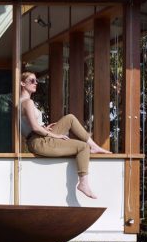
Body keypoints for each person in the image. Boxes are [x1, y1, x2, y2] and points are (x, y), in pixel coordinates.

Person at [19, 71, 111, 199]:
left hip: (39, 138)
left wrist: (46, 129)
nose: (35, 83)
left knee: (70, 118)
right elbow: (34, 127)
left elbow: (32, 126)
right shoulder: (26, 102)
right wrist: (56, 136)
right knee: (83, 147)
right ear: (22, 83)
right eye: (31, 81)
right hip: (38, 142)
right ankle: (83, 183)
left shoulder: (23, 101)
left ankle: (94, 146)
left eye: (36, 81)